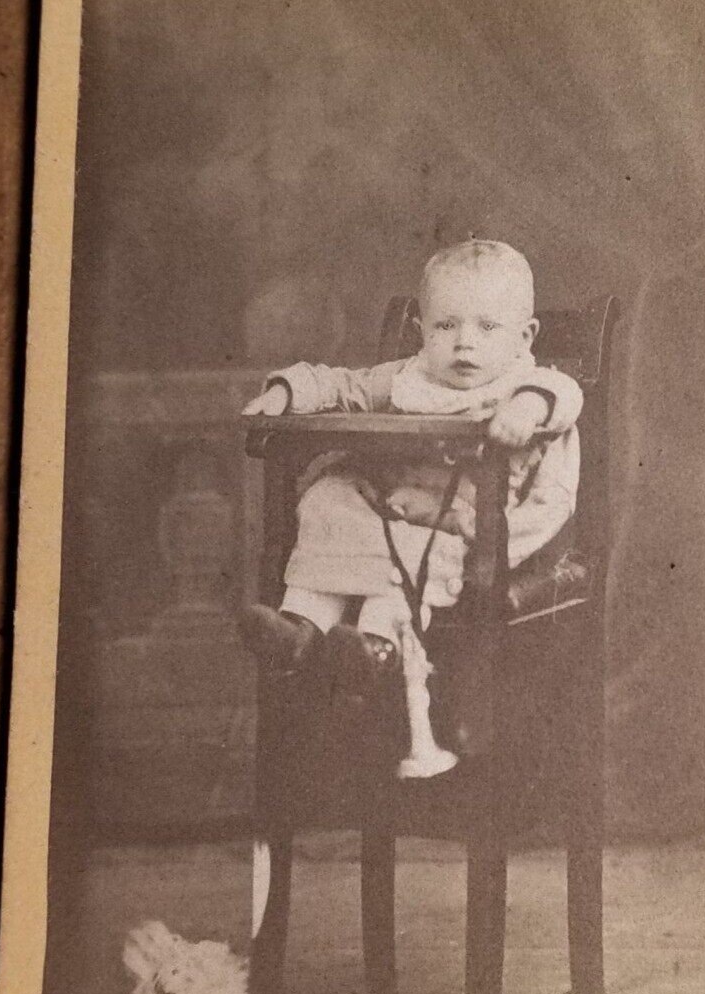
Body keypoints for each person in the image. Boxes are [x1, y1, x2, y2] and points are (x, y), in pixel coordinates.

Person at [240, 239, 583, 686]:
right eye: (446, 325)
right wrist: (288, 393)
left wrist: (526, 410)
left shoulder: (527, 385)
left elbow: (565, 396)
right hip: (389, 505)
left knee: (408, 557)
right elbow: (345, 385)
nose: (465, 343)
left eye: (487, 327)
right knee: (328, 499)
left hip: (461, 522)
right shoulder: (410, 376)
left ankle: (379, 647)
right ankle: (301, 628)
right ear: (423, 332)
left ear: (524, 338)